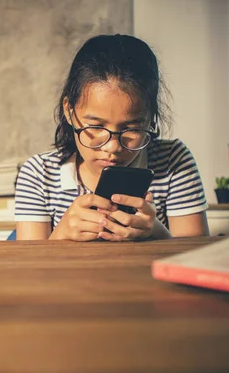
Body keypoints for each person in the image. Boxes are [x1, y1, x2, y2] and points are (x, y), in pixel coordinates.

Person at [14, 34, 209, 241]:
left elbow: (196, 258)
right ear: (69, 111)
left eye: (132, 128)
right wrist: (62, 234)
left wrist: (156, 232)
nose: (113, 147)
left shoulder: (173, 161)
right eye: (96, 126)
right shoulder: (39, 174)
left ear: (150, 119)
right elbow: (31, 269)